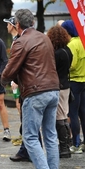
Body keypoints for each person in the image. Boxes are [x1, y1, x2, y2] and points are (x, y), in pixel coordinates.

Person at [1, 9, 60, 169]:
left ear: (17, 24)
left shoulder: (21, 41)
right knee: (50, 136)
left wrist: (3, 81)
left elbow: (10, 70)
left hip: (35, 92)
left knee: (31, 137)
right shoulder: (44, 37)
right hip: (53, 89)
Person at [4, 16, 31, 162]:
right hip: (23, 82)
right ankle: (26, 148)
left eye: (8, 24)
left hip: (22, 83)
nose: (6, 26)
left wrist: (12, 79)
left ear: (14, 25)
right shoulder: (19, 39)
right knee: (23, 114)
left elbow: (16, 62)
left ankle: (27, 149)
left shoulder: (18, 41)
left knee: (25, 116)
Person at [47, 25, 73, 159]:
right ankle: (66, 144)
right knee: (64, 114)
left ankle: (63, 147)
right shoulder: (68, 50)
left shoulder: (56, 54)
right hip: (66, 86)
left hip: (58, 86)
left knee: (59, 117)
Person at [61, 20, 85, 154]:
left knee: (73, 113)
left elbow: (73, 65)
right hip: (84, 80)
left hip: (74, 82)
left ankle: (76, 143)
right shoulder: (82, 41)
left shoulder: (71, 45)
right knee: (83, 113)